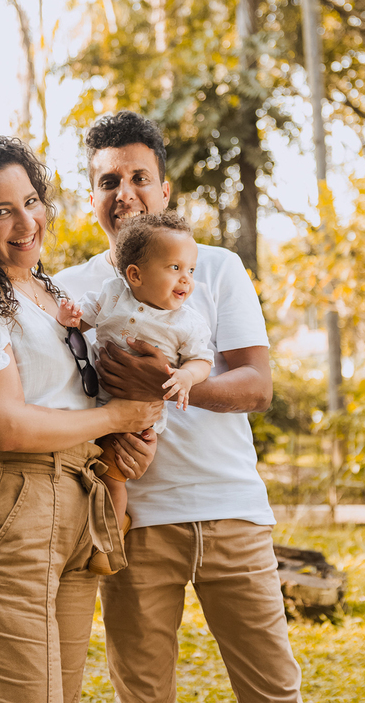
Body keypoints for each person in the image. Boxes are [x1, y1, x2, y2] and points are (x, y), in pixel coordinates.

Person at [0, 112, 304, 703]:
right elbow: (21, 379)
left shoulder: (213, 268)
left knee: (272, 689)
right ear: (91, 199)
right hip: (127, 518)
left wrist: (166, 384)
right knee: (141, 692)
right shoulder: (68, 290)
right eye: (109, 182)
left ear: (165, 190)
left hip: (229, 503)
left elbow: (257, 387)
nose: (125, 193)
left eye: (139, 177)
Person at [0, 132, 164, 703]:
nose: (25, 221)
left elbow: (54, 393)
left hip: (78, 505)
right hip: (6, 506)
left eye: (31, 201)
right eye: (0, 211)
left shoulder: (50, 294)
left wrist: (127, 439)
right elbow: (5, 424)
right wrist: (116, 416)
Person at [54, 210, 215, 576]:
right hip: (94, 406)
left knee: (114, 474)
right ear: (135, 275)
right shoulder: (112, 295)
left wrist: (186, 377)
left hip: (137, 417)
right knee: (83, 470)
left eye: (190, 270)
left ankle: (108, 544)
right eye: (174, 268)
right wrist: (70, 318)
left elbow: (202, 361)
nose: (186, 280)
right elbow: (86, 318)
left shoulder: (186, 321)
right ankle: (86, 530)